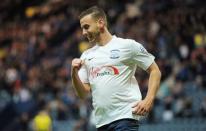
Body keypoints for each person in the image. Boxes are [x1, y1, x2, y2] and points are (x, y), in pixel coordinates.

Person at [71, 6, 161, 131]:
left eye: (86, 27)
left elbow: (155, 71)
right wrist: (74, 72)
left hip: (125, 117)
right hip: (102, 122)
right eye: (82, 28)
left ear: (100, 23)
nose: (83, 32)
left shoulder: (127, 45)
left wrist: (149, 99)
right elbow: (83, 93)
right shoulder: (86, 56)